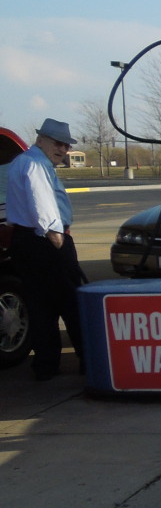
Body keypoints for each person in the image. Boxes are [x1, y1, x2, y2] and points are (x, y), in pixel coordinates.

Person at [8, 118, 87, 380]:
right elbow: (43, 204)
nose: (63, 149)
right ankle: (88, 360)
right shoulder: (36, 165)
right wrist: (57, 238)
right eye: (58, 143)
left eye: (66, 145)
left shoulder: (22, 161)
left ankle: (46, 364)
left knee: (40, 305)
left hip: (24, 240)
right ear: (41, 139)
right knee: (71, 302)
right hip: (46, 241)